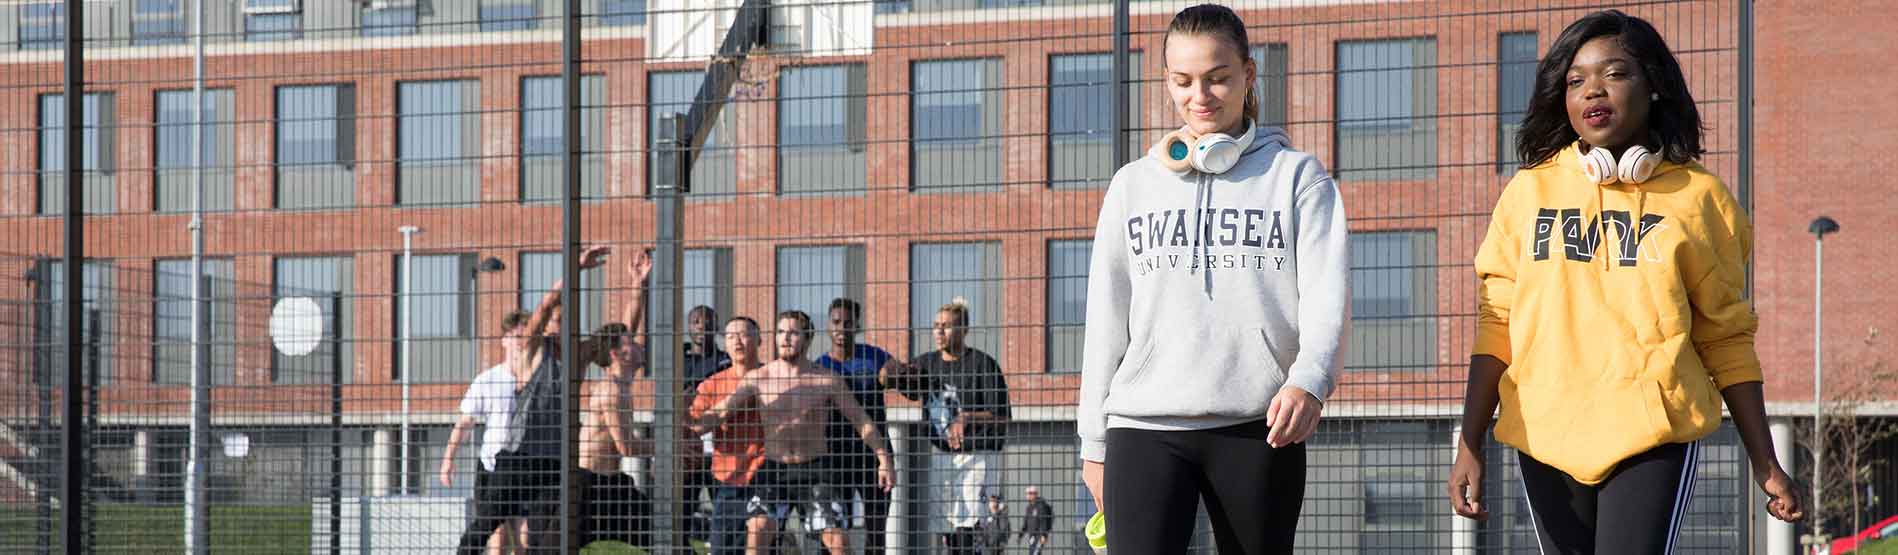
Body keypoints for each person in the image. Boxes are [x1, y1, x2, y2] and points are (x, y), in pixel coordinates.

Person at [1448, 10, 1803, 553]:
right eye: (1575, 80)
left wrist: (1766, 461)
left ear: (1654, 85)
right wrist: (1470, 441)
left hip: (1652, 434)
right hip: (1545, 432)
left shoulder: (1700, 199)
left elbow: (1725, 336)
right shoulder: (1527, 194)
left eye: (1614, 73)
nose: (1593, 89)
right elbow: (1496, 321)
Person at [1075, 4, 1351, 553]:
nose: (1199, 95)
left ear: (1249, 75)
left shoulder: (1297, 178)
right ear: (1167, 82)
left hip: (1258, 425)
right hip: (1142, 429)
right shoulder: (1132, 186)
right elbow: (1104, 321)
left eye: (1218, 78)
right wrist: (1094, 443)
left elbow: (1328, 299)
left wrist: (1309, 381)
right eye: (1183, 81)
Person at [696, 310, 894, 555]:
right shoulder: (759, 378)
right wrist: (689, 426)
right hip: (774, 469)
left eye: (793, 332)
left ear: (808, 338)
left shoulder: (826, 380)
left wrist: (884, 460)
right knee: (757, 532)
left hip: (816, 470)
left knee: (838, 542)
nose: (785, 338)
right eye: (780, 332)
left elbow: (861, 420)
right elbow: (721, 411)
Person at [455, 245, 612, 552]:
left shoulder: (575, 358)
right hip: (518, 457)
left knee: (544, 531)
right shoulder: (531, 352)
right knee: (487, 524)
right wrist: (575, 269)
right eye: (558, 320)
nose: (563, 326)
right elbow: (545, 305)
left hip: (555, 460)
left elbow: (619, 334)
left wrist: (638, 286)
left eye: (568, 321)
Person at [891, 302, 1010, 555]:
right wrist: (897, 374)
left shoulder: (982, 364)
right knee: (946, 524)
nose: (939, 332)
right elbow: (905, 385)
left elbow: (1002, 416)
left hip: (978, 455)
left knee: (970, 522)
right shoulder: (926, 364)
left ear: (963, 329)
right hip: (943, 455)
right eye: (936, 326)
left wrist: (967, 417)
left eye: (946, 326)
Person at [577, 249, 655, 548]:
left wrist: (639, 284)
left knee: (666, 538)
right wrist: (671, 444)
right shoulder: (610, 390)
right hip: (590, 486)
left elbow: (627, 325)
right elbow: (628, 446)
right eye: (631, 343)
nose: (637, 343)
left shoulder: (621, 378)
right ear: (617, 355)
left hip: (611, 482)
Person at [814, 297, 904, 553]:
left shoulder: (874, 357)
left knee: (876, 529)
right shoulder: (820, 366)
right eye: (836, 322)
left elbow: (895, 371)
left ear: (857, 325)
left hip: (873, 455)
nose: (842, 328)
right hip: (835, 455)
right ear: (828, 326)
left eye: (848, 323)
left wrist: (898, 371)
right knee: (832, 527)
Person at [442, 311, 534, 555]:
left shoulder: (539, 378)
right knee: (497, 538)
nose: (521, 342)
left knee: (525, 538)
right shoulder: (489, 379)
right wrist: (448, 460)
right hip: (493, 466)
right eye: (516, 337)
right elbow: (464, 422)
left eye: (525, 337)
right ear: (504, 340)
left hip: (527, 468)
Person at [687, 317, 770, 555]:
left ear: (759, 340)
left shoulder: (774, 378)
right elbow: (696, 426)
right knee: (722, 549)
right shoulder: (712, 384)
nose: (738, 342)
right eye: (731, 336)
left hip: (766, 476)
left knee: (760, 544)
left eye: (744, 335)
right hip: (728, 478)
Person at [1019, 486, 1053, 555]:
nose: (1028, 495)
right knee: (1032, 552)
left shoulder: (1041, 505)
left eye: (1030, 493)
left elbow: (1043, 520)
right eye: (1027, 493)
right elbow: (1026, 522)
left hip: (1039, 535)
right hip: (1032, 536)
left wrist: (1043, 535)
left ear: (1035, 494)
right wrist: (1020, 535)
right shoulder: (1029, 507)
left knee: (1036, 553)